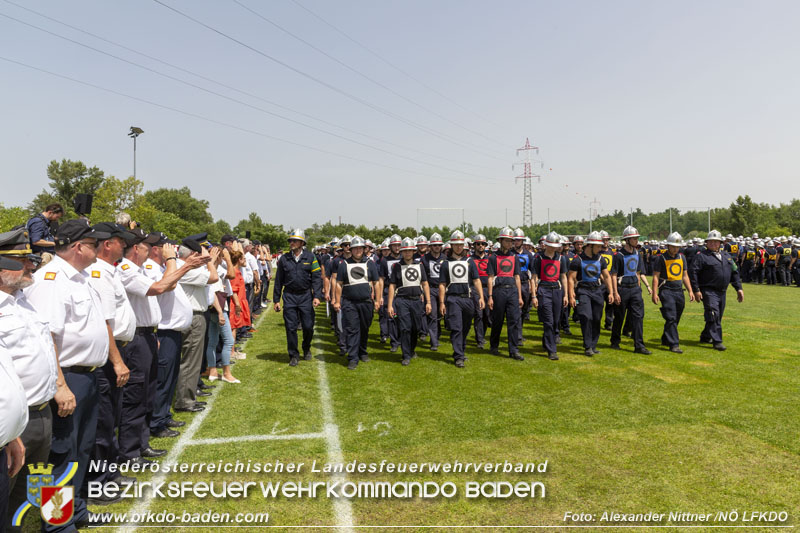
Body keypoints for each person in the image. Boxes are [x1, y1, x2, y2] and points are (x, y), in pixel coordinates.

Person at [24, 219, 112, 531]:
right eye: (93, 244)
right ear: (78, 247)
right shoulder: (52, 280)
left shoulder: (79, 278)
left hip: (87, 376)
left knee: (81, 449)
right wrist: (60, 385)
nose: (98, 248)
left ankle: (75, 511)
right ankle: (58, 523)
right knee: (61, 453)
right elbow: (47, 336)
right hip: (68, 377)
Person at [0, 229, 62, 530]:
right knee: (6, 494)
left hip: (41, 412)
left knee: (32, 490)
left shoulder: (23, 300)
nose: (31, 266)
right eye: (22, 260)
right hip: (14, 422)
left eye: (32, 259)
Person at [83, 223, 135, 500]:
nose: (124, 246)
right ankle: (98, 481)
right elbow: (105, 323)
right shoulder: (99, 274)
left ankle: (110, 473)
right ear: (107, 244)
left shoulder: (109, 271)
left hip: (116, 351)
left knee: (111, 417)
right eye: (120, 241)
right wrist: (116, 361)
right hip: (107, 357)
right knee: (103, 423)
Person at [174, 235, 218, 412]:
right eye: (199, 254)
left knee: (192, 359)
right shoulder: (186, 269)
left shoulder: (183, 266)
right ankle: (185, 400)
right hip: (193, 316)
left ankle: (188, 396)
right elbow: (213, 277)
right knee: (191, 360)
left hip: (193, 314)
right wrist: (210, 260)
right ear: (192, 254)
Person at [273, 229, 323, 367]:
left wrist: (317, 296)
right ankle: (293, 355)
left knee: (308, 326)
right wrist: (276, 300)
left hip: (305, 296)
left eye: (295, 241)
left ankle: (306, 348)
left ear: (302, 243)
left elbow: (317, 278)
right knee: (290, 327)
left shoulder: (311, 257)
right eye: (291, 241)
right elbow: (278, 280)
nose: (292, 243)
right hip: (289, 296)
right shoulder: (284, 259)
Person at [688, 230, 744, 351]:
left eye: (716, 241)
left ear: (720, 243)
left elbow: (734, 272)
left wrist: (739, 288)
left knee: (717, 316)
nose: (713, 243)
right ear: (706, 243)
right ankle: (717, 341)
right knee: (713, 314)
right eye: (711, 241)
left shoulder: (726, 256)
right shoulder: (701, 256)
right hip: (708, 290)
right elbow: (693, 273)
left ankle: (706, 335)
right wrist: (696, 290)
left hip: (722, 291)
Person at [333, 236, 381, 370]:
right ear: (351, 249)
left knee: (364, 328)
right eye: (355, 248)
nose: (358, 250)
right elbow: (338, 284)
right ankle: (353, 357)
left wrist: (377, 300)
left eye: (360, 248)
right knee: (352, 329)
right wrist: (337, 301)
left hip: (366, 302)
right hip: (349, 302)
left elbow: (376, 283)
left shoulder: (370, 263)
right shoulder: (344, 264)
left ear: (364, 249)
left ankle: (362, 351)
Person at [439, 231, 484, 368]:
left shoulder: (469, 262)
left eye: (460, 244)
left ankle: (461, 350)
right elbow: (442, 284)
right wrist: (442, 302)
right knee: (456, 327)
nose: (458, 247)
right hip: (453, 299)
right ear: (451, 246)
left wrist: (481, 297)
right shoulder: (445, 263)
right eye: (456, 244)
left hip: (468, 299)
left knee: (465, 327)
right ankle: (458, 356)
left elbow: (476, 280)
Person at [568, 231, 614, 356]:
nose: (600, 249)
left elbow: (606, 276)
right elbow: (571, 278)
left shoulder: (600, 259)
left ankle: (593, 345)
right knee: (586, 317)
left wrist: (611, 292)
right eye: (598, 246)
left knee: (597, 318)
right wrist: (571, 295)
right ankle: (587, 346)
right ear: (590, 245)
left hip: (597, 290)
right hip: (583, 291)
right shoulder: (577, 260)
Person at [387, 238, 431, 365]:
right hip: (402, 301)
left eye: (410, 251)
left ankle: (411, 350)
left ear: (413, 251)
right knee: (405, 328)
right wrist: (390, 305)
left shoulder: (419, 265)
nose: (407, 253)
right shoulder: (397, 267)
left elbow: (425, 284)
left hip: (417, 301)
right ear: (402, 252)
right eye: (405, 251)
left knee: (416, 327)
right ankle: (405, 354)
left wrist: (428, 302)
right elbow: (392, 286)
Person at [610, 226, 652, 354]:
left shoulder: (637, 254)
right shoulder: (618, 255)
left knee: (638, 317)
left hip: (635, 289)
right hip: (622, 289)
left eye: (637, 238)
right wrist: (615, 292)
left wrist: (639, 288)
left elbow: (638, 272)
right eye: (634, 238)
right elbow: (613, 275)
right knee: (619, 317)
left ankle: (639, 345)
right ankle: (615, 341)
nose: (636, 240)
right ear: (627, 240)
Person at [651, 232, 694, 353]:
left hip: (679, 291)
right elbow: (655, 276)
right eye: (673, 246)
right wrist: (654, 293)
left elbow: (685, 276)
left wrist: (690, 291)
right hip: (666, 290)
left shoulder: (682, 258)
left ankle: (666, 338)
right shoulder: (661, 258)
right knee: (671, 317)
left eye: (677, 247)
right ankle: (674, 344)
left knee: (676, 317)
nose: (675, 249)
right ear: (668, 246)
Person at [487, 227, 524, 360]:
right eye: (507, 241)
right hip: (499, 291)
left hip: (512, 290)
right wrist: (490, 296)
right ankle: (494, 345)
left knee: (513, 320)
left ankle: (513, 350)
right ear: (501, 241)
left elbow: (517, 277)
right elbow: (490, 278)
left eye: (511, 241)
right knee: (497, 320)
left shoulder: (514, 257)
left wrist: (519, 296)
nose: (509, 243)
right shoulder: (493, 257)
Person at [531, 232, 569, 360]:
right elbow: (533, 278)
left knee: (555, 321)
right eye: (551, 245)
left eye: (555, 246)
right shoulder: (538, 258)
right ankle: (552, 350)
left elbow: (564, 277)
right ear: (546, 245)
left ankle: (546, 341)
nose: (553, 248)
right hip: (544, 290)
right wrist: (534, 296)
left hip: (557, 290)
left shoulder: (561, 258)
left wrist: (566, 295)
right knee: (548, 321)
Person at [420, 233, 446, 351]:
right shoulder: (424, 259)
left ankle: (437, 335)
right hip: (430, 289)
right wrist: (422, 292)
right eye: (434, 245)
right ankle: (434, 342)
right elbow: (422, 278)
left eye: (439, 245)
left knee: (441, 315)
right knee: (432, 315)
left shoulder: (445, 258)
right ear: (430, 246)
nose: (437, 247)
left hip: (443, 289)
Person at [469, 234, 492, 349]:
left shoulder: (490, 259)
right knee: (478, 314)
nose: (480, 246)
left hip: (487, 288)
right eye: (478, 244)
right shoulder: (470, 260)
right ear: (474, 246)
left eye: (483, 244)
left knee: (487, 315)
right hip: (475, 289)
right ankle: (479, 339)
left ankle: (482, 335)